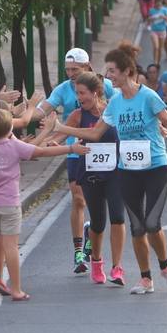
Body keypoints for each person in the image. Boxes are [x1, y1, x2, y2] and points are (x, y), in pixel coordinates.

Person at [49, 42, 167, 295]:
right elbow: (95, 132)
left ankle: (165, 267)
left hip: (156, 166)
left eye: (112, 71)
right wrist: (62, 129)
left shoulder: (148, 96)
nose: (108, 76)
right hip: (127, 169)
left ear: (126, 72)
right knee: (136, 226)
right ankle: (146, 278)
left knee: (152, 223)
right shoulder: (114, 104)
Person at [0, 108, 81, 302]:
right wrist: (70, 148)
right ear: (9, 127)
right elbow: (42, 151)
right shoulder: (14, 146)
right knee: (10, 246)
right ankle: (16, 289)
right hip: (10, 202)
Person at [33, 49, 117, 277]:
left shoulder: (104, 86)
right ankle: (79, 250)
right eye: (67, 70)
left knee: (100, 206)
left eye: (75, 70)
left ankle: (94, 230)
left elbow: (123, 104)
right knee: (78, 198)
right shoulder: (62, 90)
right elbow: (43, 112)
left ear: (87, 67)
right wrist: (37, 135)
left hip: (104, 152)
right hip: (75, 150)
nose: (70, 74)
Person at [57, 73, 127, 286]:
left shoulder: (112, 111)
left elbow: (130, 132)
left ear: (95, 93)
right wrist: (41, 145)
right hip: (90, 173)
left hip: (115, 171)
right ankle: (96, 261)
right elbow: (56, 137)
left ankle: (117, 268)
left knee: (118, 217)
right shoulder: (78, 115)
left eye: (82, 93)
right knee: (98, 222)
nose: (79, 98)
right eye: (77, 93)